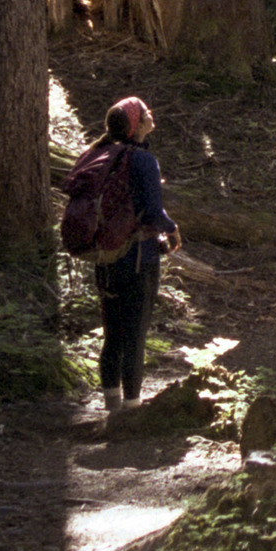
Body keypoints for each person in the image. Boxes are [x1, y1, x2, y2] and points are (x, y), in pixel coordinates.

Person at [86, 95, 177, 412]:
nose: (152, 114)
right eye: (146, 112)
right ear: (136, 126)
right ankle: (132, 410)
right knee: (135, 336)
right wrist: (173, 228)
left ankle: (111, 407)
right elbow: (154, 212)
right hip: (139, 258)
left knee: (112, 334)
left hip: (105, 258)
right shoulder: (143, 161)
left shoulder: (100, 154)